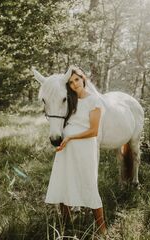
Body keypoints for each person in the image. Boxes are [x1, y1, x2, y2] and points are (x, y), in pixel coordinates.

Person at [45, 67, 107, 235]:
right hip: (65, 149)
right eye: (71, 82)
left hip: (84, 147)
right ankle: (65, 228)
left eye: (76, 80)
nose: (74, 84)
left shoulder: (94, 100)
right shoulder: (70, 101)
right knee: (64, 183)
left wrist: (71, 138)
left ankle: (102, 231)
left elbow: (94, 131)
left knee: (88, 184)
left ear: (83, 79)